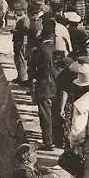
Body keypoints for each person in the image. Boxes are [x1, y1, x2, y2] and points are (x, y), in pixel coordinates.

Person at [28, 18, 57, 151]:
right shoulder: (57, 46)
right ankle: (57, 139)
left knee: (45, 114)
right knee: (55, 113)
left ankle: (48, 141)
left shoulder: (41, 49)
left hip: (44, 84)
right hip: (57, 83)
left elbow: (33, 69)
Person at [12, 9, 30, 86]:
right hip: (17, 41)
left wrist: (15, 31)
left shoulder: (25, 19)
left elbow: (25, 31)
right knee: (17, 59)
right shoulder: (20, 18)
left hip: (21, 42)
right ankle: (19, 76)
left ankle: (23, 79)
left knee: (21, 60)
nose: (16, 12)